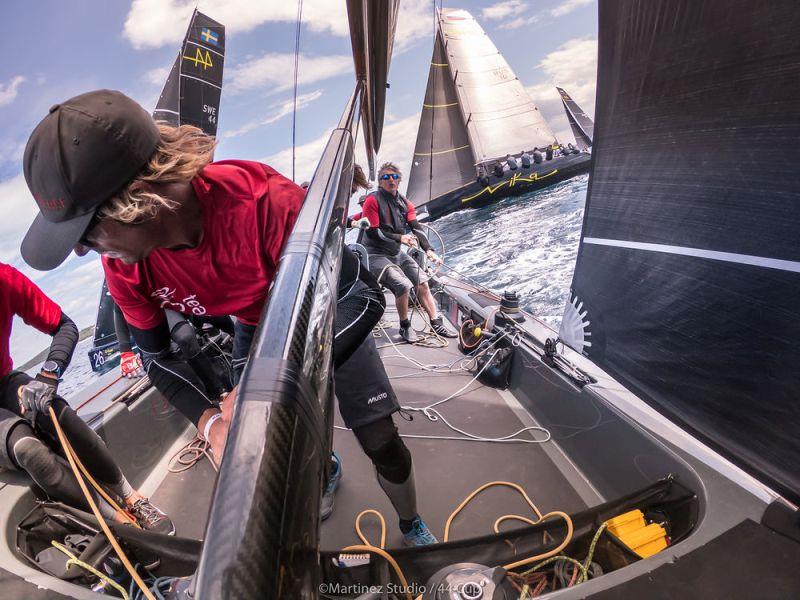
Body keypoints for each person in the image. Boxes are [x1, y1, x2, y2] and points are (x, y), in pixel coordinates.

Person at [20, 90, 437, 544]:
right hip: (257, 326)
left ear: (138, 200)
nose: (82, 249)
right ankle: (324, 466)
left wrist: (271, 389)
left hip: (327, 312)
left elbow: (363, 296)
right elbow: (158, 359)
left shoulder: (265, 203)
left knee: (381, 440)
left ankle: (411, 522)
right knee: (282, 453)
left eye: (86, 231)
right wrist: (211, 422)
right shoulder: (123, 265)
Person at [0, 262, 173, 535]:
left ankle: (132, 497)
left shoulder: (4, 278)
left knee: (56, 412)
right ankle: (117, 522)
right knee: (28, 450)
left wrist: (48, 374)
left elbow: (64, 326)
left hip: (4, 380)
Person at [360, 162, 456, 343]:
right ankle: (405, 327)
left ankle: (436, 322)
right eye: (386, 177)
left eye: (394, 177)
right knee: (402, 285)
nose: (391, 180)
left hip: (396, 253)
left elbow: (416, 228)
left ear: (399, 180)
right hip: (375, 255)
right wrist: (400, 238)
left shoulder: (405, 203)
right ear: (380, 182)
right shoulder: (372, 201)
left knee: (422, 282)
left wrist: (429, 250)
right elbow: (373, 231)